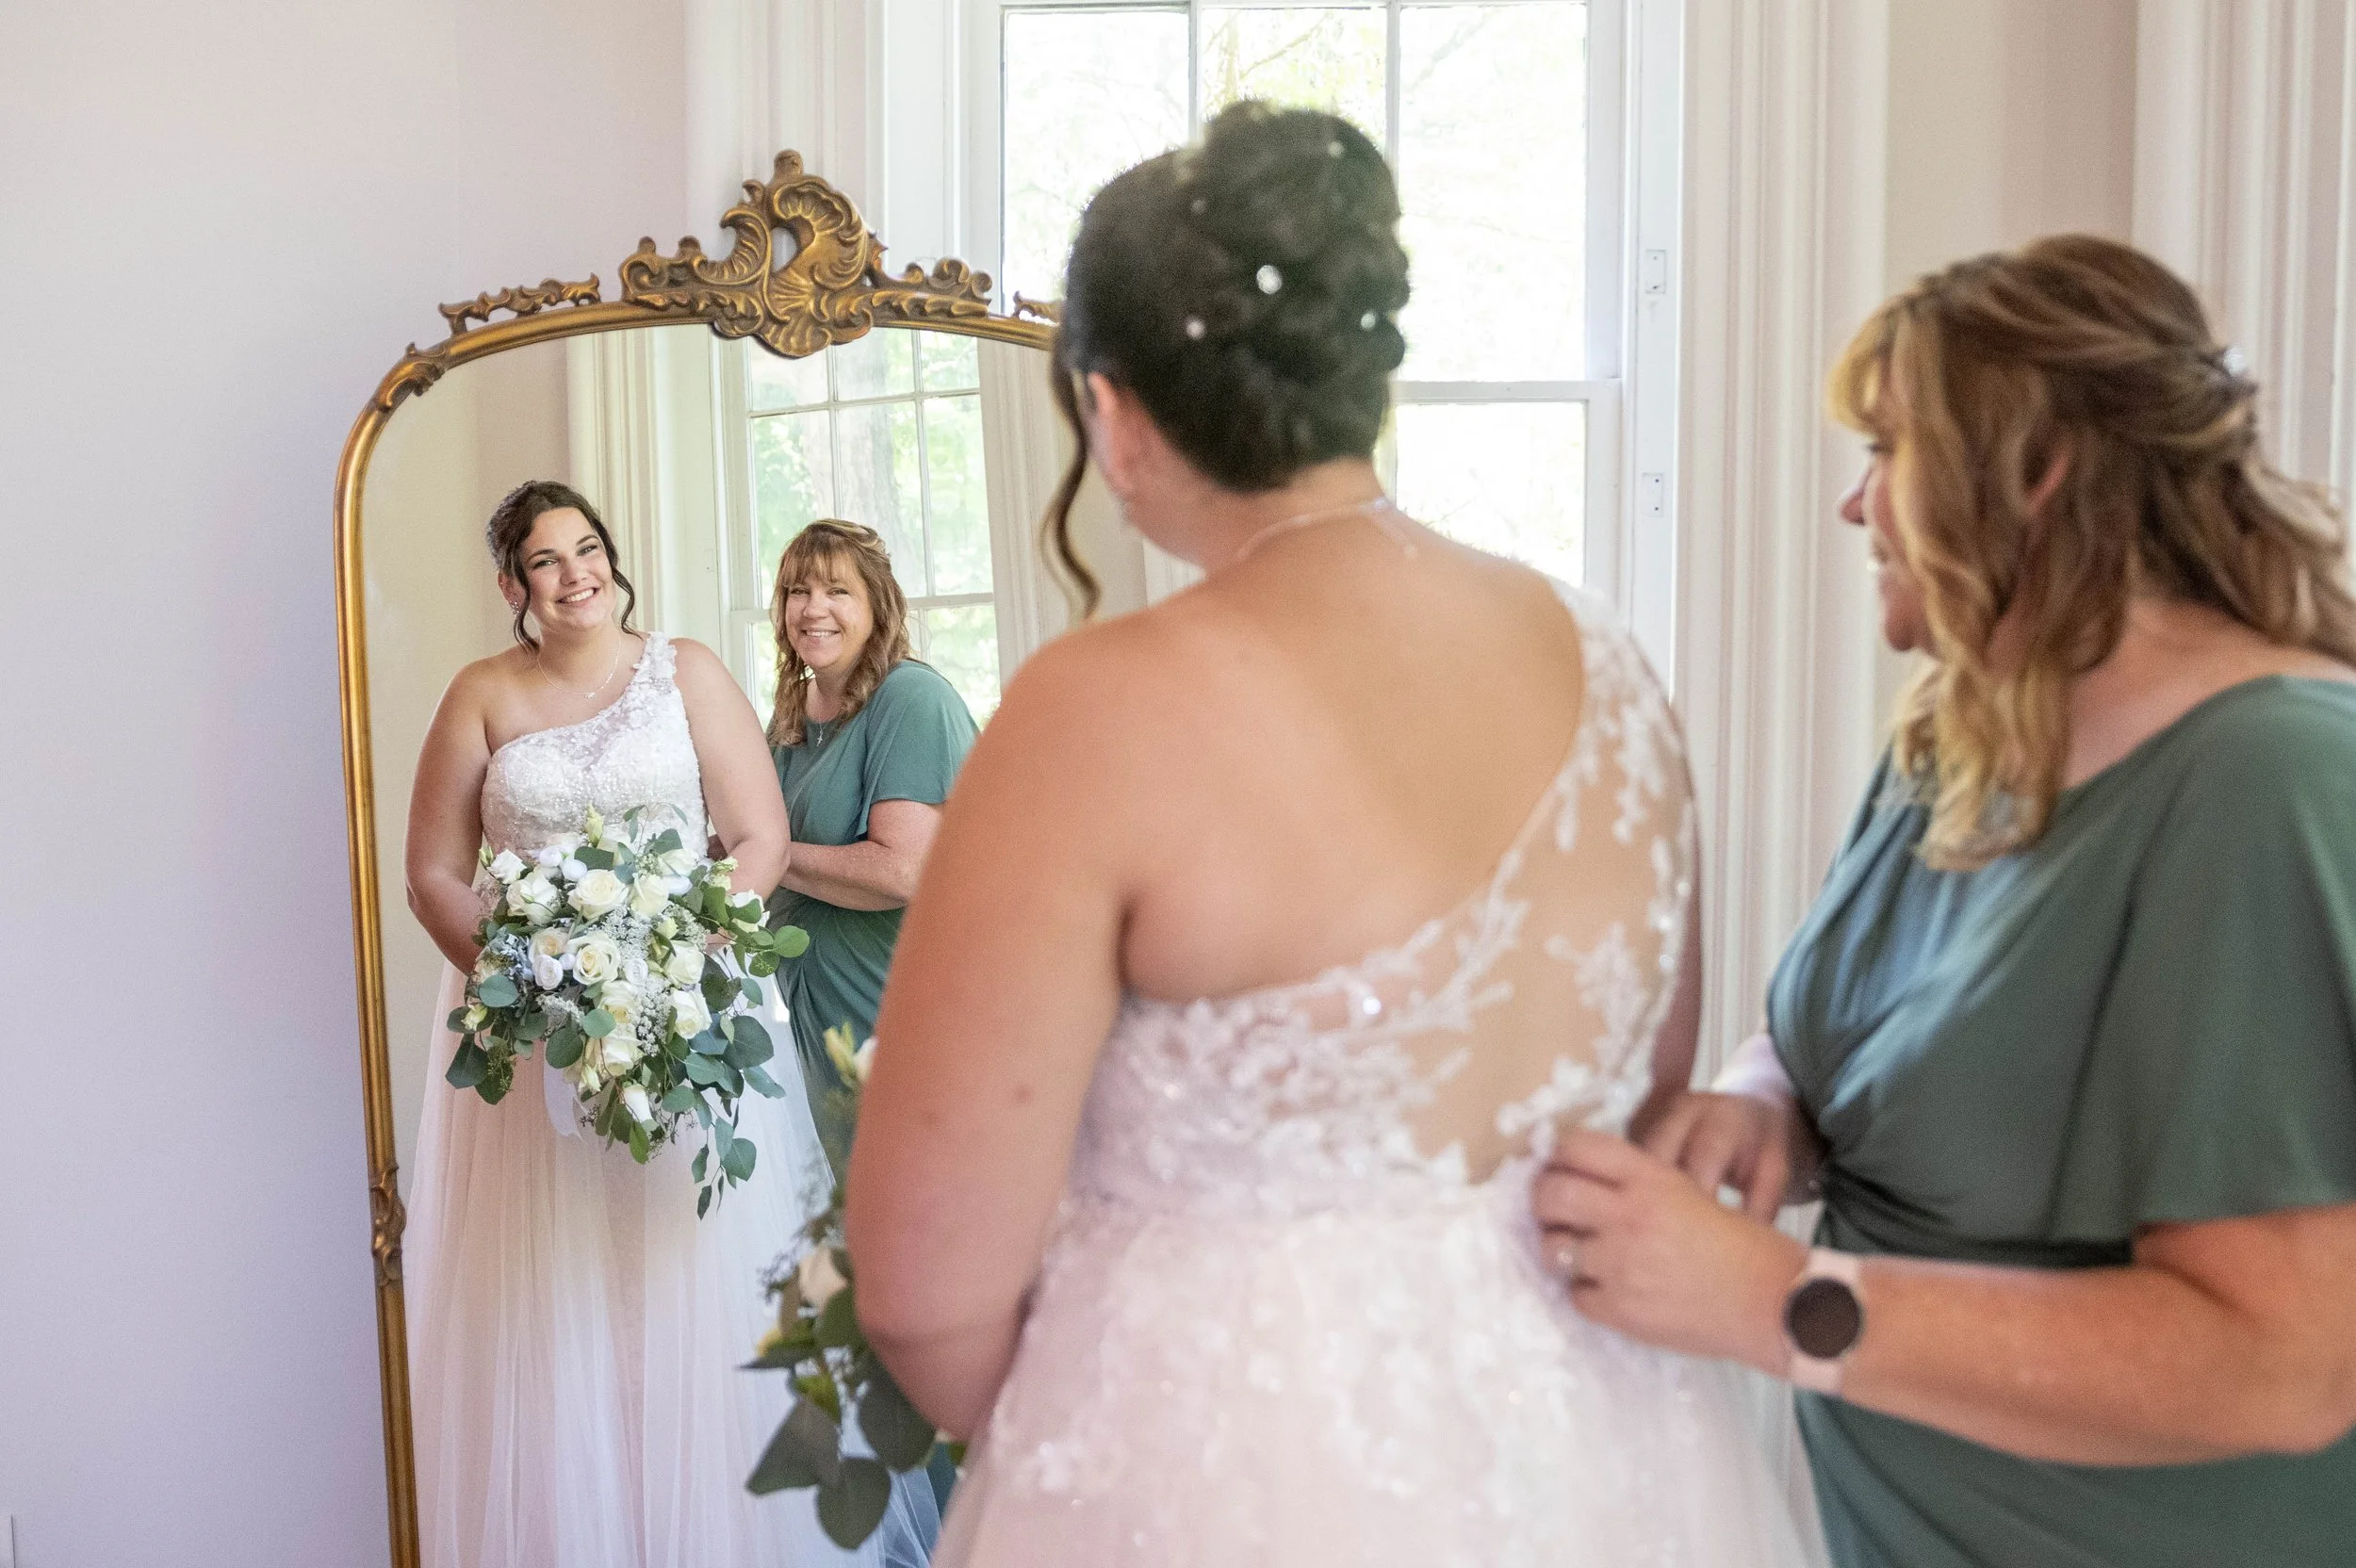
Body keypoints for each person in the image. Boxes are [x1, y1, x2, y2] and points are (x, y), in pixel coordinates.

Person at [842, 103, 1814, 1565]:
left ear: (1111, 410)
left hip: (1210, 1479)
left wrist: (1117, 1440)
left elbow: (926, 1293)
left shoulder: (1096, 714)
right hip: (1603, 1460)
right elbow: (1635, 1103)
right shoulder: (1612, 668)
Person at [1534, 236, 2356, 1568]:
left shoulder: (2273, 782)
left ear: (2038, 473)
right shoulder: (1960, 738)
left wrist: (1774, 1301)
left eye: (1889, 450)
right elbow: (1839, 1035)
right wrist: (1764, 1111)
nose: (1859, 508)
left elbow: (2280, 1366)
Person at [401, 481, 936, 1568]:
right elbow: (431, 874)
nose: (576, 572)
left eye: (588, 547)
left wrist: (674, 967)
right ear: (514, 585)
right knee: (552, 1291)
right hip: (529, 1031)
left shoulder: (684, 670)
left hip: (691, 1008)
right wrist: (533, 990)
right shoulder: (480, 694)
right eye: (547, 559)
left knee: (688, 1276)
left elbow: (756, 838)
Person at [764, 518, 979, 1176]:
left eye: (837, 591)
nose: (813, 608)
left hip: (900, 1013)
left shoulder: (911, 699)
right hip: (818, 1016)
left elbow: (902, 871)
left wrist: (770, 852)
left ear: (877, 605)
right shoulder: (792, 713)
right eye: (797, 590)